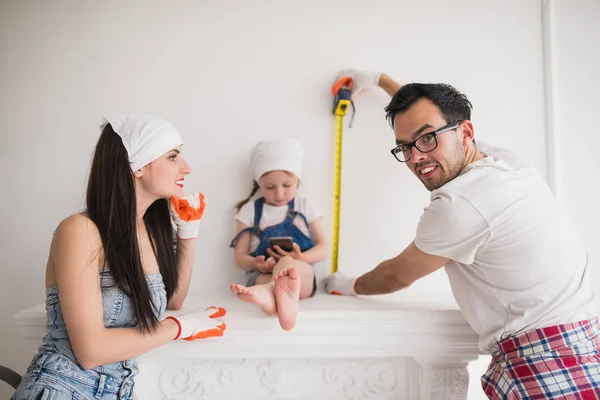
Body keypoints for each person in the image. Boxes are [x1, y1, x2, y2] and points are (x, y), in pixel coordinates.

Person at [324, 70, 600, 399]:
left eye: (427, 140)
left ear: (465, 131)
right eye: (404, 148)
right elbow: (430, 122)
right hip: (586, 342)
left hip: (545, 363)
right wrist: (378, 80)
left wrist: (339, 284)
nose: (417, 158)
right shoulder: (505, 163)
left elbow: (395, 276)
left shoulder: (458, 206)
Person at [12, 115, 226, 400]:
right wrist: (179, 327)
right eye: (173, 156)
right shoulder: (80, 230)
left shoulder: (146, 233)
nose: (186, 167)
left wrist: (188, 232)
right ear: (137, 166)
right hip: (62, 390)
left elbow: (172, 300)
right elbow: (91, 351)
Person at [229, 138, 328, 331]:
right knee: (266, 279)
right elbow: (239, 258)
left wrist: (302, 257)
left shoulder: (305, 206)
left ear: (297, 181)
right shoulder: (249, 211)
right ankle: (273, 291)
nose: (279, 193)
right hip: (262, 274)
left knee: (288, 266)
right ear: (259, 184)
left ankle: (271, 292)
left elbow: (324, 247)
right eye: (270, 187)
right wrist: (255, 264)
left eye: (287, 185)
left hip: (302, 275)